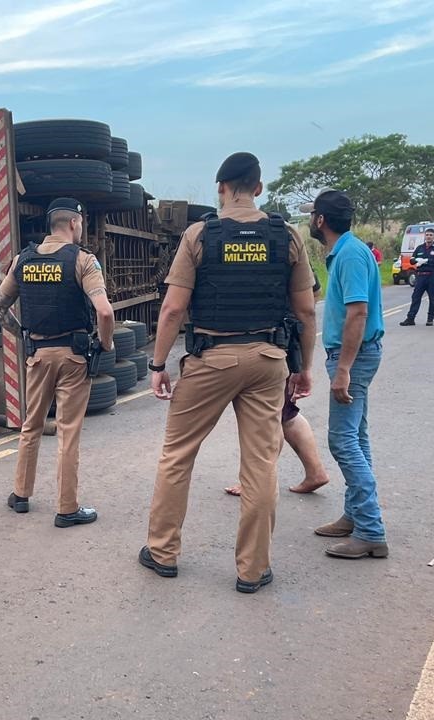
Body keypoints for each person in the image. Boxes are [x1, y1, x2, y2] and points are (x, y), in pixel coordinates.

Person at [139, 152, 317, 594]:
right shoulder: (286, 236)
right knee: (260, 464)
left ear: (221, 189)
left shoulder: (201, 235)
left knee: (177, 454)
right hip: (268, 360)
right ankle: (253, 569)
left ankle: (162, 553)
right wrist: (304, 368)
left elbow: (173, 308)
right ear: (258, 187)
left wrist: (158, 364)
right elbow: (306, 310)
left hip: (210, 358)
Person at [0, 197, 115, 528]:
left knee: (31, 425)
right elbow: (104, 311)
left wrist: (27, 337)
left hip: (38, 355)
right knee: (68, 432)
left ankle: (20, 495)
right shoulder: (83, 261)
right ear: (74, 223)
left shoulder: (22, 260)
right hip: (73, 356)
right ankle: (67, 507)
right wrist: (105, 343)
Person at [302, 190, 388, 560]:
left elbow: (357, 314)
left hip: (353, 357)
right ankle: (355, 516)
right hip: (354, 355)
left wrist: (344, 371)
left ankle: (370, 529)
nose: (309, 221)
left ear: (321, 220)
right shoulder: (347, 252)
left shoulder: (351, 255)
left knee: (342, 441)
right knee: (357, 436)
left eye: (311, 215)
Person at [224, 276, 331, 496]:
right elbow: (313, 293)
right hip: (283, 341)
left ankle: (256, 481)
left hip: (272, 344)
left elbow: (310, 300)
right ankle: (315, 471)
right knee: (286, 413)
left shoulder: (272, 248)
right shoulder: (286, 248)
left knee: (269, 417)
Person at [400, 228, 434, 326]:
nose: (428, 237)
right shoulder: (419, 248)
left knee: (432, 298)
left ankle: (430, 318)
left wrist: (427, 261)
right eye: (427, 235)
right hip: (420, 276)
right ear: (424, 236)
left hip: (432, 276)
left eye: (431, 235)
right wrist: (416, 261)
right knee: (415, 297)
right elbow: (412, 260)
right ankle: (410, 318)